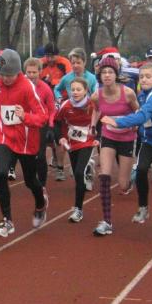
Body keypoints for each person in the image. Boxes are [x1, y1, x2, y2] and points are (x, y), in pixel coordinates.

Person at [102, 62, 152, 226]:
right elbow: (140, 115)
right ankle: (143, 207)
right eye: (142, 77)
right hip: (149, 141)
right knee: (141, 170)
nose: (144, 80)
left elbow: (143, 116)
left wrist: (119, 122)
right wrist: (135, 126)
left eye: (148, 77)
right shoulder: (142, 95)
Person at [0, 49, 48, 237]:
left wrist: (25, 117)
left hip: (26, 141)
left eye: (10, 75)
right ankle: (7, 220)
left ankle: (40, 204)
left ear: (18, 72)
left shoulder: (27, 87)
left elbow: (42, 116)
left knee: (30, 181)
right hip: (6, 137)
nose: (5, 79)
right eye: (2, 75)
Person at [89, 55, 139, 236]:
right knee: (104, 176)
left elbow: (138, 111)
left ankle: (132, 176)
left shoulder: (128, 93)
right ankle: (107, 221)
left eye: (110, 72)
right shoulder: (97, 95)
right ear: (100, 76)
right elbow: (96, 110)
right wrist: (93, 125)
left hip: (127, 138)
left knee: (123, 185)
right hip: (108, 136)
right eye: (104, 72)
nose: (107, 75)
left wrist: (134, 124)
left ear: (116, 74)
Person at [54, 78, 98, 223]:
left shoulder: (92, 105)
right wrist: (61, 137)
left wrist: (98, 137)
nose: (75, 92)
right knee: (76, 174)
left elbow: (102, 121)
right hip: (72, 143)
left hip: (87, 142)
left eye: (78, 89)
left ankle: (78, 209)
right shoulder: (66, 105)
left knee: (79, 173)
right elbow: (57, 122)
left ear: (86, 91)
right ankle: (88, 168)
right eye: (72, 89)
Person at [24, 57, 56, 185]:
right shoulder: (21, 86)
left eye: (34, 72)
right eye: (29, 72)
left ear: (40, 72)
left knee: (40, 155)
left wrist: (50, 126)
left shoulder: (45, 88)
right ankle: (31, 180)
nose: (31, 75)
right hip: (25, 123)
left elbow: (52, 110)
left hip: (40, 124)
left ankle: (42, 184)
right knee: (27, 156)